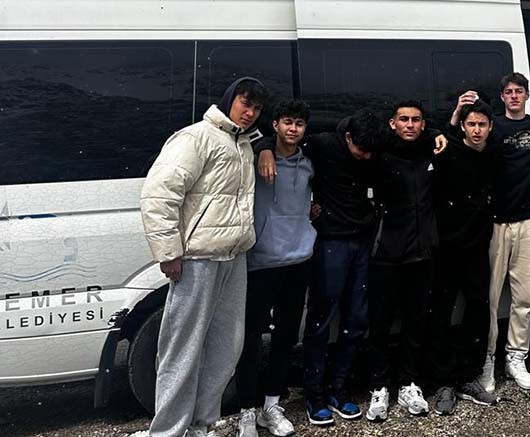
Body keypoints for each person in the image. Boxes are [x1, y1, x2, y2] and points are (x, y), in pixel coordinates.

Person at [139, 77, 269, 437]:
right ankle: (168, 431)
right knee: (182, 347)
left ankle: (202, 424)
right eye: (245, 104)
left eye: (257, 108)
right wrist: (169, 252)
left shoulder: (243, 143)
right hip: (197, 258)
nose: (250, 113)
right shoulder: (196, 137)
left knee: (226, 346)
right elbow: (159, 195)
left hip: (234, 256)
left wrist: (265, 147)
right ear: (229, 101)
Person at [257, 109, 386, 425]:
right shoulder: (323, 145)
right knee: (321, 318)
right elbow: (279, 135)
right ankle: (313, 393)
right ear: (347, 138)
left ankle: (338, 388)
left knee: (356, 319)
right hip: (330, 241)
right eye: (361, 150)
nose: (366, 157)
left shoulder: (371, 147)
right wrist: (264, 149)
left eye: (371, 152)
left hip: (362, 240)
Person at [450, 73, 530, 392]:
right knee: (490, 299)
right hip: (495, 222)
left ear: (527, 96)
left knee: (524, 297)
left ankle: (517, 357)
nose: (514, 96)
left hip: (529, 221)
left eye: (519, 91)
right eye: (508, 92)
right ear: (502, 97)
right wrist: (454, 116)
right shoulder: (490, 126)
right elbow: (458, 143)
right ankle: (486, 359)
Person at [236, 100, 316, 437]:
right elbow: (244, 140)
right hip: (261, 262)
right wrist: (265, 149)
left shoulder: (309, 164)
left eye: (299, 123)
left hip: (298, 261)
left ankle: (271, 405)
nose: (293, 129)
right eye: (287, 122)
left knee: (285, 336)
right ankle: (246, 410)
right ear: (275, 125)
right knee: (250, 339)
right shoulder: (254, 160)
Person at [365, 101, 446, 421]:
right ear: (392, 123)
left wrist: (436, 132)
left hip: (422, 252)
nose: (410, 125)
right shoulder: (379, 155)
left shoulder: (430, 152)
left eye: (416, 120)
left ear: (423, 124)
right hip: (385, 252)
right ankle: (379, 386)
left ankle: (409, 383)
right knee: (380, 323)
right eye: (403, 119)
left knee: (416, 321)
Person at [428, 101, 499, 415]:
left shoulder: (493, 155)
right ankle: (443, 381)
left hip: (477, 247)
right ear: (463, 126)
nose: (477, 130)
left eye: (482, 125)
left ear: (490, 127)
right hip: (446, 247)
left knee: (478, 309)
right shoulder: (448, 152)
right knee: (441, 313)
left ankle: (469, 376)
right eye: (471, 124)